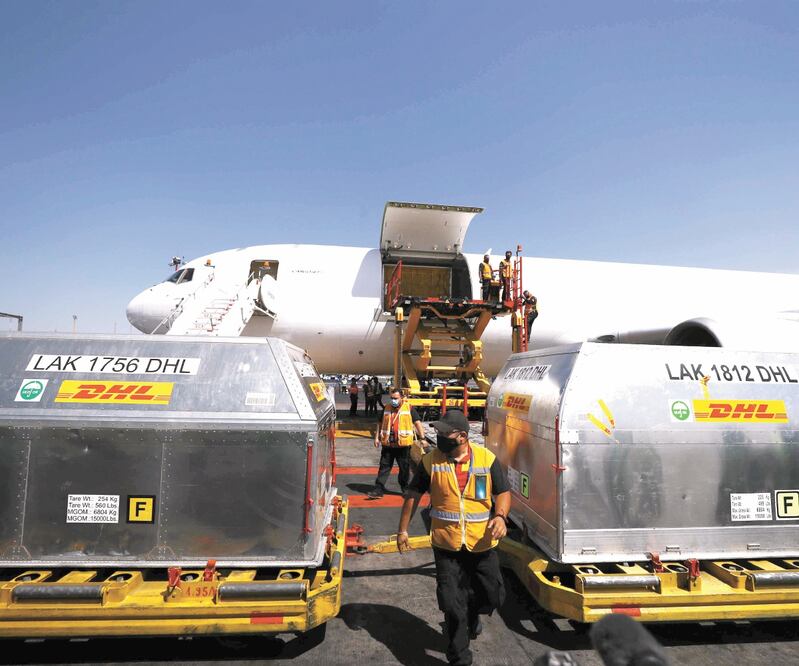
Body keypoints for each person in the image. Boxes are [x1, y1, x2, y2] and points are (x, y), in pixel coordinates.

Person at [397, 410, 511, 666]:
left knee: (492, 596)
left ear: (461, 436)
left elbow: (503, 492)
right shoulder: (431, 462)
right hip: (446, 544)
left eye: (443, 432)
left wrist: (501, 516)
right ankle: (460, 656)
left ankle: (473, 614)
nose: (438, 436)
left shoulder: (486, 459)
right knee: (451, 604)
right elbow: (413, 495)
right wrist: (402, 530)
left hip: (481, 543)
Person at [368, 388, 425, 498]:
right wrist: (376, 437)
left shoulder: (409, 408)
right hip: (388, 444)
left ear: (402, 398)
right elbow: (379, 423)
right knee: (384, 467)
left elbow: (417, 423)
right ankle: (379, 489)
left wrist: (422, 437)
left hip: (403, 445)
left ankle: (404, 488)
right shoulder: (386, 408)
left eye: (395, 398)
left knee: (404, 468)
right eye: (391, 398)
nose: (393, 400)